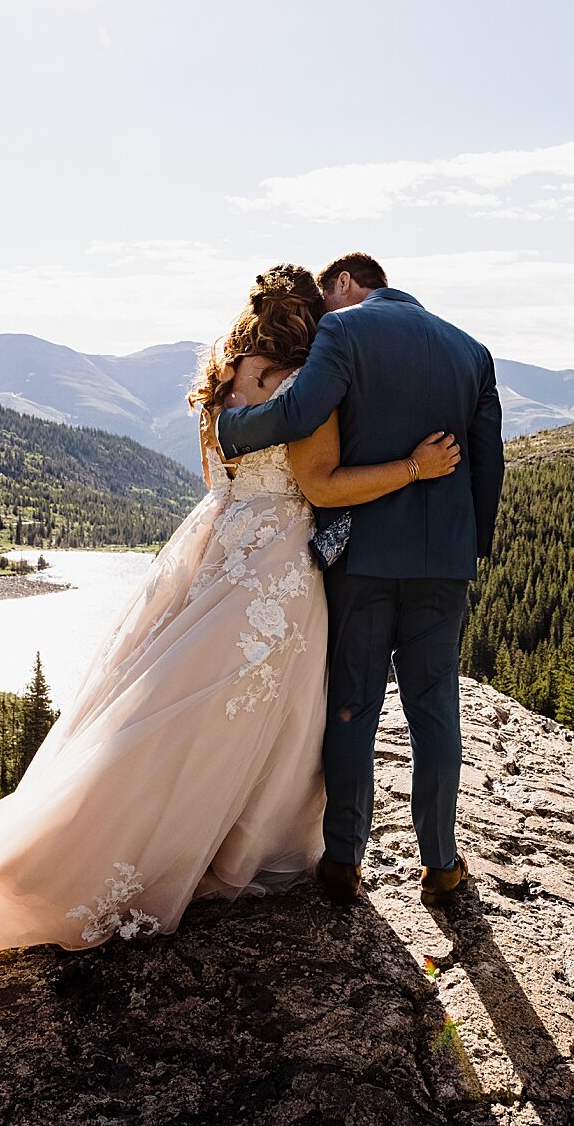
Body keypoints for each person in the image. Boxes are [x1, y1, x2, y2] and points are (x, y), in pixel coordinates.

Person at [0, 263, 461, 1042]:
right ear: (306, 322)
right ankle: (239, 844)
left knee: (162, 700)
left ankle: (93, 835)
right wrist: (413, 470)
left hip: (213, 547)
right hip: (274, 569)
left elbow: (221, 481)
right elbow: (320, 487)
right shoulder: (304, 387)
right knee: (259, 712)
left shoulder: (223, 383)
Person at [216, 252, 504, 909]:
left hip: (365, 556)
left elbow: (296, 416)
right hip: (444, 565)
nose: (319, 312)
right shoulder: (473, 351)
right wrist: (468, 547)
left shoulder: (343, 334)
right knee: (436, 711)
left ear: (345, 283)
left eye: (325, 294)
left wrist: (228, 426)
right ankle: (442, 865)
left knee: (354, 707)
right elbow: (489, 465)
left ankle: (343, 861)